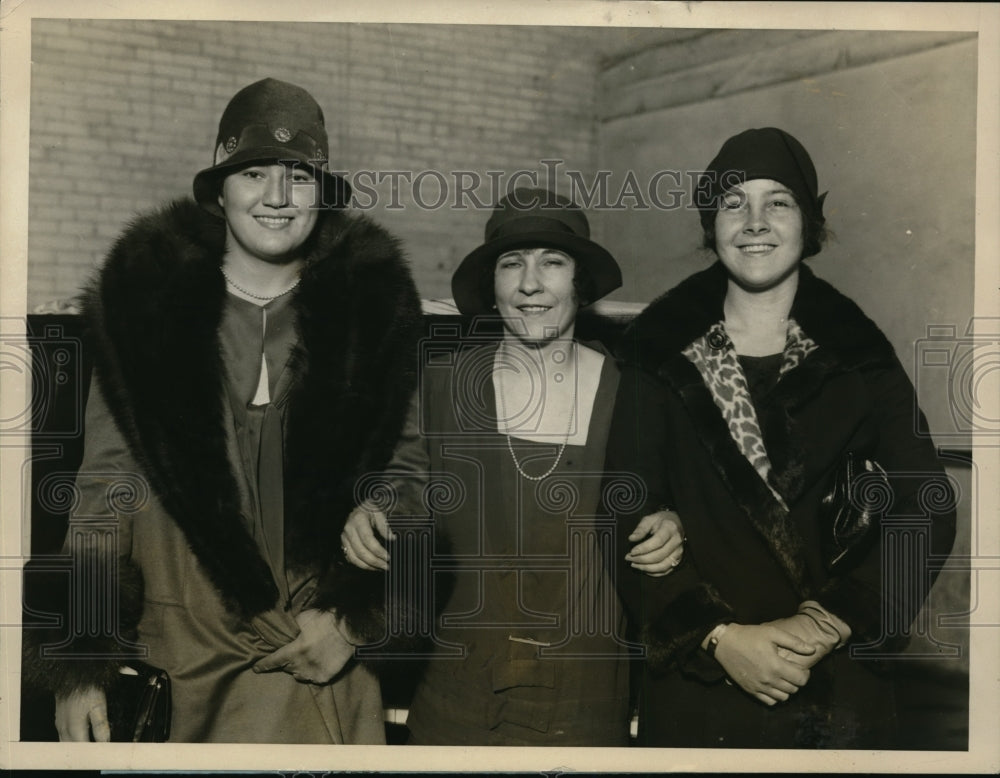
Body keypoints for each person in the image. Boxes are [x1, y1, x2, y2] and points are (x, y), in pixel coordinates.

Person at [22, 78, 423, 742]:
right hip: (186, 669)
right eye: (254, 173)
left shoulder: (367, 318)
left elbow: (411, 474)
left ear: (322, 194)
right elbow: (101, 498)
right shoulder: (146, 318)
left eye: (298, 176)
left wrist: (356, 620)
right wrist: (83, 666)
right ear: (219, 188)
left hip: (322, 665)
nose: (275, 196)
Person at [607, 127, 957, 748]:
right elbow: (622, 508)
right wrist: (718, 637)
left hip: (833, 686)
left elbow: (927, 505)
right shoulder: (655, 350)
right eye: (733, 202)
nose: (755, 221)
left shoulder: (859, 352)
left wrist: (828, 622)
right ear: (710, 224)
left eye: (779, 202)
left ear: (809, 223)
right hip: (702, 686)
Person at [341, 188, 683, 746]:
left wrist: (672, 522)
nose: (530, 283)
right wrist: (377, 509)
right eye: (511, 264)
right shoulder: (443, 384)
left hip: (588, 706)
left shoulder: (637, 395)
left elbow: (668, 499)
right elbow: (408, 483)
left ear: (581, 283)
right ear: (491, 285)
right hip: (459, 704)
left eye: (552, 262)